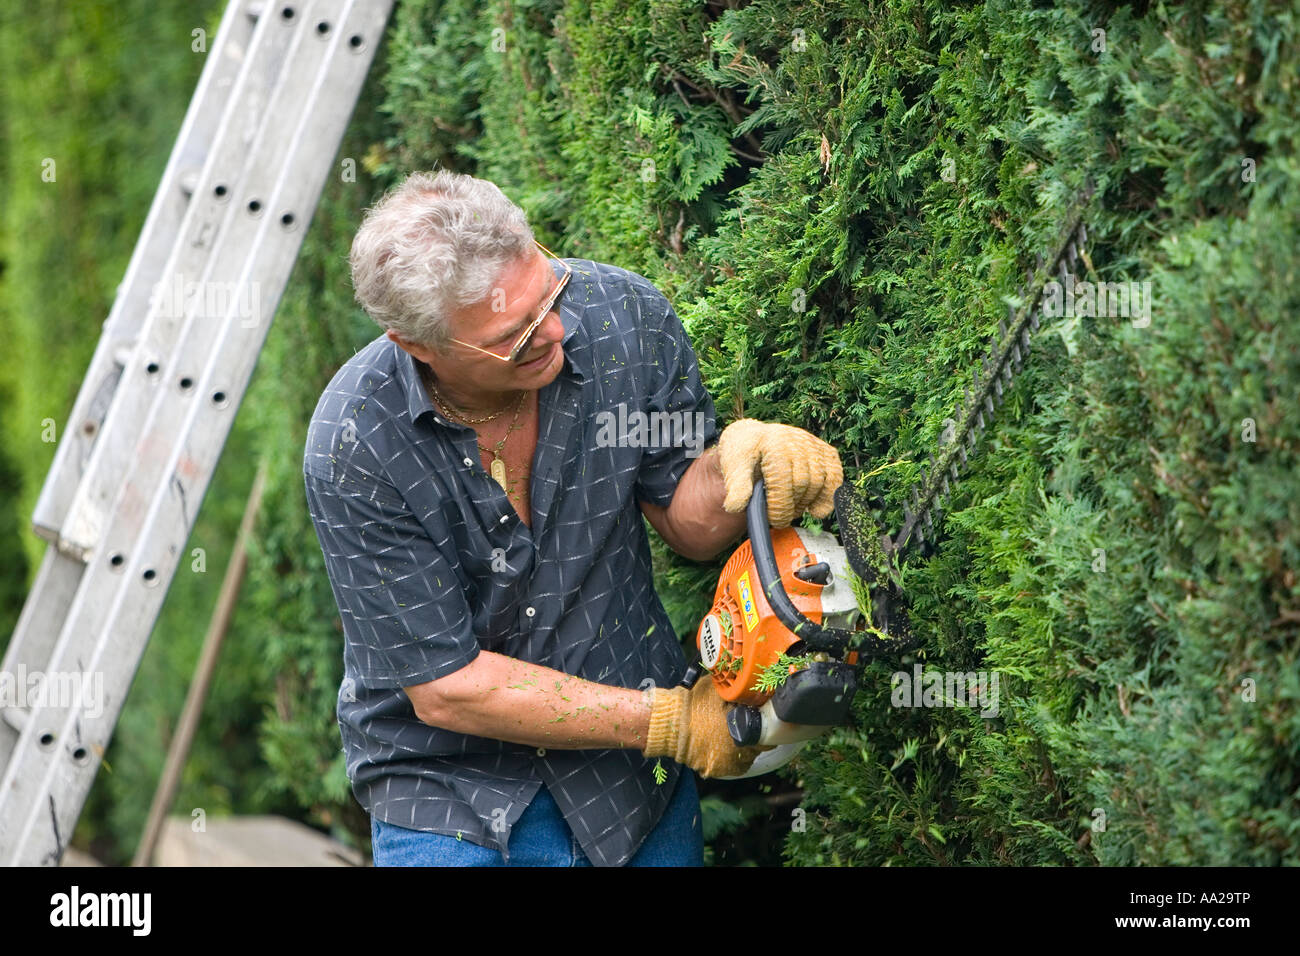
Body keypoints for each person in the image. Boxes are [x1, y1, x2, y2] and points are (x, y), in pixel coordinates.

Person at [303, 169, 843, 866]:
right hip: (447, 788)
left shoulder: (627, 321)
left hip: (629, 788)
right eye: (514, 332)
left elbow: (688, 525)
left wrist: (739, 466)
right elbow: (447, 687)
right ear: (418, 345)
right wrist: (671, 723)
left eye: (549, 292)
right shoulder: (357, 443)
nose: (556, 330)